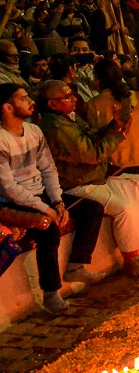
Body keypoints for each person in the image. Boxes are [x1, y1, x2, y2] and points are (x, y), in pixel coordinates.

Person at [38, 80, 139, 278]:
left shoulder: (68, 118)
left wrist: (114, 125)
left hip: (95, 177)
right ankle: (129, 259)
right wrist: (120, 136)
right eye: (67, 97)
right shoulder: (56, 128)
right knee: (125, 208)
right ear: (52, 104)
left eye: (72, 94)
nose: (74, 99)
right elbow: (92, 153)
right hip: (77, 184)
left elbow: (92, 136)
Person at [0, 83, 105, 313]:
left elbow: (48, 169)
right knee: (48, 230)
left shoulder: (34, 132)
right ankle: (50, 292)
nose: (30, 102)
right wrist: (44, 209)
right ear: (7, 107)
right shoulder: (1, 140)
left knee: (91, 209)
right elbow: (9, 187)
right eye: (23, 98)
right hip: (16, 203)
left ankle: (77, 264)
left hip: (42, 196)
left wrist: (57, 201)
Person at [85, 58, 139, 176]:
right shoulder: (134, 96)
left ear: (97, 80)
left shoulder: (93, 104)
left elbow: (96, 138)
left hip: (117, 164)